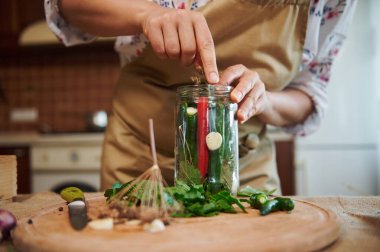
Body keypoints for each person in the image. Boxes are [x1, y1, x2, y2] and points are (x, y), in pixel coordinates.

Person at [45, 0, 357, 192]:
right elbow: (67, 5)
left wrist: (265, 100)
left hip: (243, 171)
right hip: (139, 162)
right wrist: (147, 14)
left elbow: (310, 92)